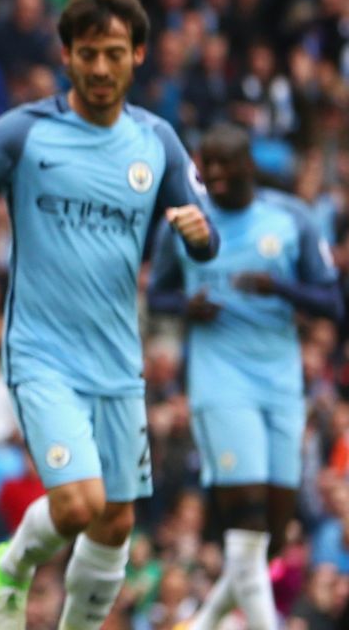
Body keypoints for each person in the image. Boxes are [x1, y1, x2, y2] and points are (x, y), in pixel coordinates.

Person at [0, 0, 217, 630]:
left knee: (117, 520)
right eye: (88, 53)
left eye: (114, 53)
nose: (101, 68)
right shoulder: (25, 132)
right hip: (42, 352)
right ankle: (13, 564)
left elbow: (208, 233)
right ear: (66, 56)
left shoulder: (157, 141)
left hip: (117, 358)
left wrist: (199, 238)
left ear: (138, 55)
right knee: (80, 504)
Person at [148, 123, 341, 630]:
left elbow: (332, 303)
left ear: (248, 165)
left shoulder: (290, 218)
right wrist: (187, 306)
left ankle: (204, 621)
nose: (214, 175)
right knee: (247, 519)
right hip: (219, 381)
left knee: (273, 535)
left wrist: (278, 286)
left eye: (224, 164)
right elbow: (156, 295)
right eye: (206, 165)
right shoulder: (186, 223)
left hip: (279, 381)